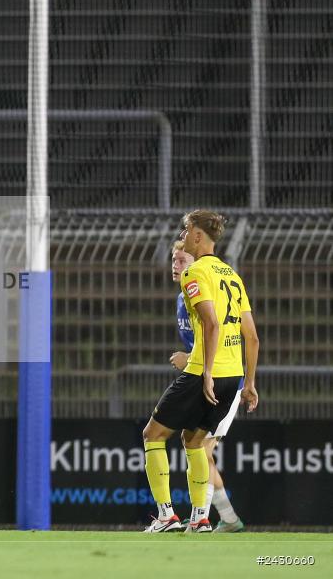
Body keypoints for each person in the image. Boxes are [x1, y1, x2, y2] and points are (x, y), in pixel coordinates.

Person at [142, 210, 259, 533]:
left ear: (197, 235)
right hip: (233, 376)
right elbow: (252, 336)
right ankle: (201, 518)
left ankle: (166, 516)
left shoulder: (196, 273)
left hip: (203, 373)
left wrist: (204, 371)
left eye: (186, 229)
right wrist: (249, 383)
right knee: (194, 443)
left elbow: (211, 323)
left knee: (153, 435)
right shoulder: (231, 275)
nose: (183, 235)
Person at [169, 240, 245, 533]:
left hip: (225, 380)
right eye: (173, 260)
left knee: (199, 448)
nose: (176, 265)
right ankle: (226, 518)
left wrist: (187, 358)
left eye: (182, 259)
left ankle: (201, 517)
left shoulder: (207, 292)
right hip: (205, 378)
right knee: (199, 448)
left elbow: (221, 335)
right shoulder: (183, 299)